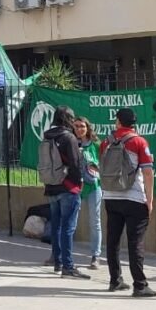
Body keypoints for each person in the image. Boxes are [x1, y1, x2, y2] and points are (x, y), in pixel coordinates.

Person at [100, 108, 156, 297]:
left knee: (112, 240)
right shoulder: (139, 141)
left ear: (118, 121)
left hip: (110, 197)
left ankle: (115, 280)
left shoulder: (106, 142)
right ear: (134, 123)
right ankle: (140, 285)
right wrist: (149, 200)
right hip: (133, 198)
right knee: (135, 243)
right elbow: (148, 173)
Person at [43, 106, 91, 279]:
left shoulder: (47, 136)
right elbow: (75, 163)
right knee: (68, 228)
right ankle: (68, 267)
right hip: (68, 187)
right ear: (67, 119)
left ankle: (58, 261)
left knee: (56, 226)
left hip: (51, 187)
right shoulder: (68, 137)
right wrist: (80, 181)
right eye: (71, 119)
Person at [74, 117, 103, 270]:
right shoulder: (71, 142)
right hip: (75, 187)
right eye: (76, 126)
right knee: (70, 221)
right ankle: (61, 255)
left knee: (95, 221)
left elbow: (104, 162)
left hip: (93, 186)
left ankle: (95, 256)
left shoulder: (96, 145)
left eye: (82, 126)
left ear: (88, 127)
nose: (79, 129)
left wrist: (97, 169)